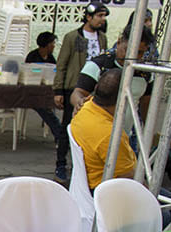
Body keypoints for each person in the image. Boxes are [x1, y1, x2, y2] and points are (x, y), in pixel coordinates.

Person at [53, 1, 109, 180]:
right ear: (88, 17)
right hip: (74, 87)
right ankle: (60, 164)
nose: (102, 19)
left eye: (104, 16)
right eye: (99, 16)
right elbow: (61, 64)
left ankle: (83, 167)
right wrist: (58, 90)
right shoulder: (72, 37)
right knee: (68, 126)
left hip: (94, 88)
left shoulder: (102, 38)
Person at [70, 24, 155, 120]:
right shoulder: (98, 65)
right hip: (95, 129)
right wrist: (79, 102)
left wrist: (146, 130)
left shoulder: (145, 73)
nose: (131, 56)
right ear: (119, 42)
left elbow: (146, 103)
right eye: (127, 50)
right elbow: (77, 93)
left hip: (125, 133)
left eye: (139, 52)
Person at [69, 69, 136, 191]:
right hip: (109, 191)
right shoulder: (111, 136)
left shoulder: (84, 107)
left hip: (86, 186)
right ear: (124, 96)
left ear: (96, 87)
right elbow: (129, 179)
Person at [25, 32, 66, 181]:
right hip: (31, 93)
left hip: (47, 91)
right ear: (46, 44)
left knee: (50, 107)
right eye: (52, 43)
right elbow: (28, 73)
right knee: (44, 108)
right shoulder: (32, 56)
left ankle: (61, 135)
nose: (54, 46)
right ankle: (60, 135)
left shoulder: (51, 58)